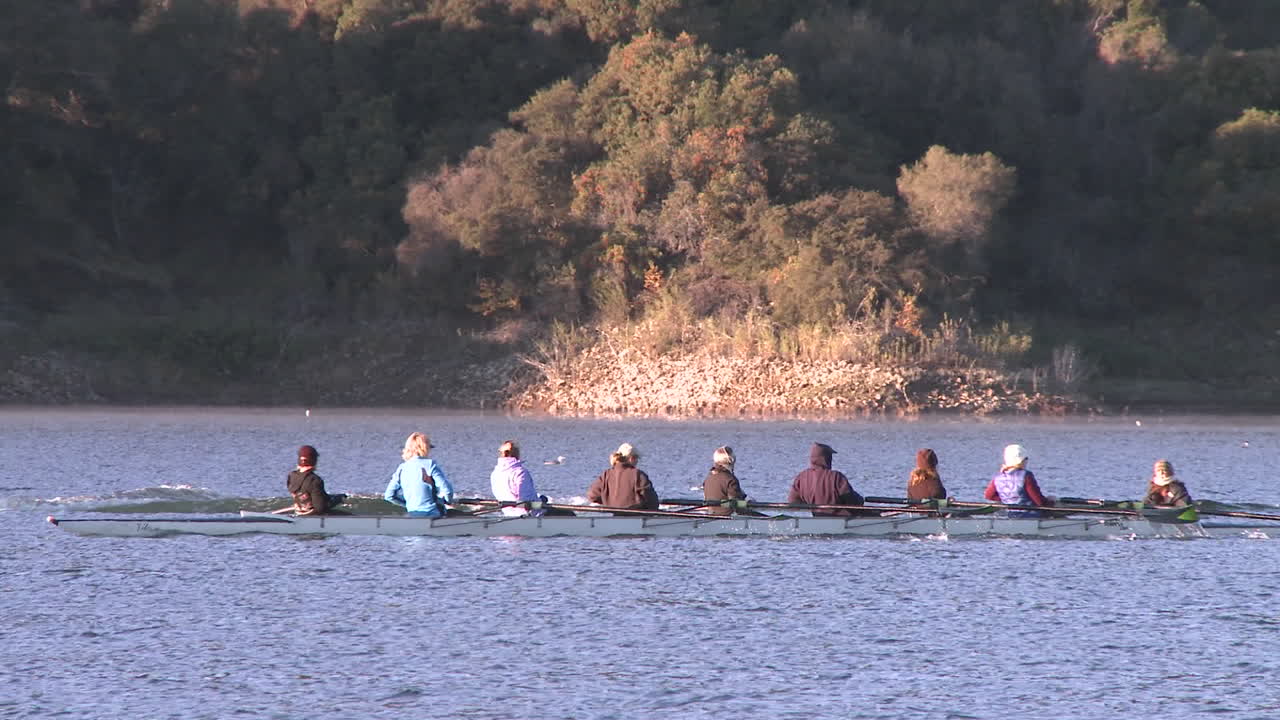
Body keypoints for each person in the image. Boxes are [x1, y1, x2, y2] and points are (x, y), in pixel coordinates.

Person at [384, 432, 454, 518]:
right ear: (425, 448)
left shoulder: (401, 468)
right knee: (456, 513)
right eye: (429, 448)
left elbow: (389, 496)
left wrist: (409, 504)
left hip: (413, 513)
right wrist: (447, 502)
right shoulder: (430, 464)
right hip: (433, 513)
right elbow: (447, 491)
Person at [787, 442, 866, 517]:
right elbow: (852, 501)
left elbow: (793, 503)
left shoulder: (801, 477)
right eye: (830, 456)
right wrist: (860, 499)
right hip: (842, 522)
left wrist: (812, 504)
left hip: (817, 520)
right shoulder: (836, 477)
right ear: (826, 458)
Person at [984, 444, 1053, 517]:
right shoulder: (1026, 475)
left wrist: (1007, 499)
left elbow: (989, 496)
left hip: (1009, 514)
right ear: (1022, 460)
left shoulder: (998, 477)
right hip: (1029, 515)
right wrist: (1051, 501)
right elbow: (1039, 502)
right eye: (1026, 459)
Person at [586, 443, 659, 511]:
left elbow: (592, 496)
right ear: (631, 458)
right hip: (635, 519)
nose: (637, 461)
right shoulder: (638, 475)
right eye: (637, 458)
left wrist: (607, 501)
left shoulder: (606, 475)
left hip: (611, 517)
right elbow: (653, 502)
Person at [490, 440, 541, 516]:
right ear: (517, 453)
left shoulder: (494, 473)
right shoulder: (520, 473)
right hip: (528, 516)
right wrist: (540, 503)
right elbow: (525, 503)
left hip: (508, 513)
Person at [286, 444, 341, 515]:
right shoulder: (315, 480)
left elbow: (303, 495)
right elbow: (319, 508)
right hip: (312, 516)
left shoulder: (291, 476)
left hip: (298, 512)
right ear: (314, 461)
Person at [703, 446, 748, 515]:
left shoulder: (708, 479)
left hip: (712, 514)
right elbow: (735, 504)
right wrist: (746, 503)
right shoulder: (731, 479)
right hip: (727, 516)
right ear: (731, 461)